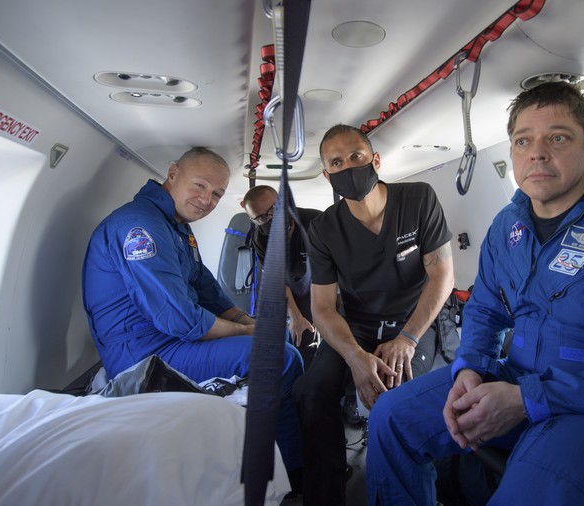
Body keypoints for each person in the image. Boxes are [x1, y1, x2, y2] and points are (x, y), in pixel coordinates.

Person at [365, 82, 584, 505]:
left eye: (557, 137)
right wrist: (471, 370)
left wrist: (525, 401)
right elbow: (485, 310)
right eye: (523, 141)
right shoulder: (506, 227)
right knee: (390, 418)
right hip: (520, 379)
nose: (537, 152)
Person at [81, 147, 303, 480]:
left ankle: (277, 445)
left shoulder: (174, 226)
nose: (207, 200)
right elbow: (179, 318)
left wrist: (246, 320)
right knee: (281, 358)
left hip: (171, 341)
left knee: (279, 335)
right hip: (144, 355)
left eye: (217, 194)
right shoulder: (140, 227)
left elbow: (204, 285)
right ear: (173, 174)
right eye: (200, 186)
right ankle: (289, 466)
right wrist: (245, 332)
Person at [294, 124, 456, 505]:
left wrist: (408, 338)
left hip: (415, 320)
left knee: (404, 396)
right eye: (336, 162)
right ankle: (326, 494)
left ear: (375, 160)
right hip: (359, 326)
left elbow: (442, 275)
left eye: (356, 156)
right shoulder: (322, 230)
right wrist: (354, 357)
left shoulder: (418, 199)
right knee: (311, 391)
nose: (348, 166)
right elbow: (321, 307)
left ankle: (436, 489)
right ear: (327, 175)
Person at [241, 184, 322, 370]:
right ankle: (305, 384)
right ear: (253, 220)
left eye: (274, 209)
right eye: (261, 217)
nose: (271, 218)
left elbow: (341, 267)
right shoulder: (260, 238)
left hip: (329, 281)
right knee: (303, 335)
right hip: (295, 285)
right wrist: (295, 317)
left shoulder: (316, 222)